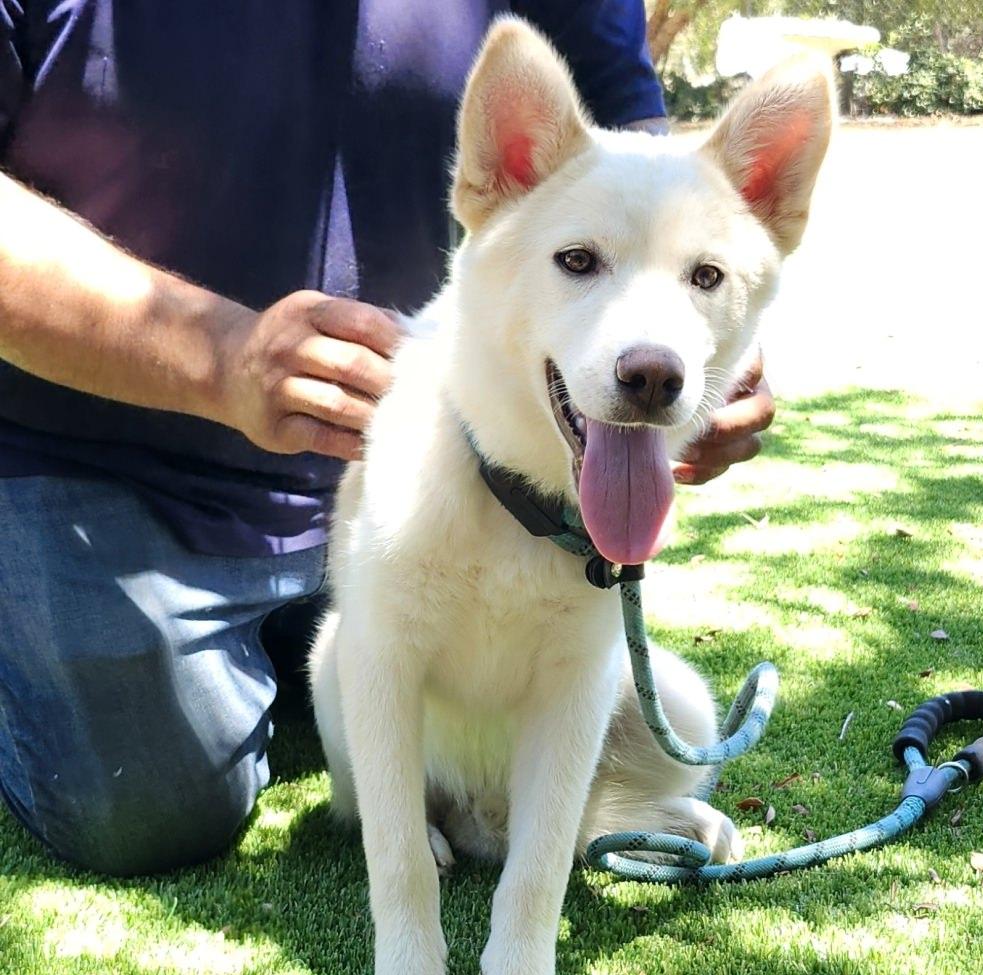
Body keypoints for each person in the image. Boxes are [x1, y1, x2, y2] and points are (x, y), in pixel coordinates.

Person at [0, 1, 775, 876]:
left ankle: (337, 693)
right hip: (99, 461)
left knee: (663, 724)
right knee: (144, 808)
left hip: (412, 470)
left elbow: (647, 185)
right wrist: (214, 357)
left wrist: (685, 327)